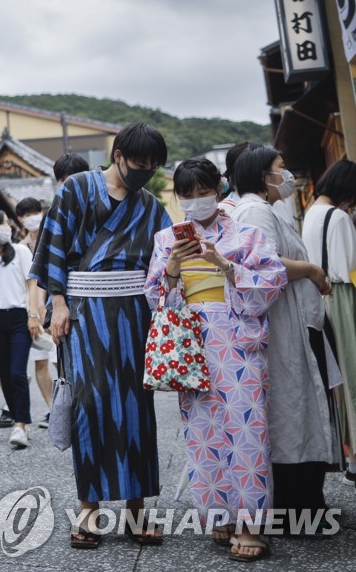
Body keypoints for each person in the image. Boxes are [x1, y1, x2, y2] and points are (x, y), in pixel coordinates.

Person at [31, 123, 171, 549]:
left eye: (152, 166)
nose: (144, 171)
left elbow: (163, 258)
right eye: (138, 163)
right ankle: (89, 509)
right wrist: (57, 304)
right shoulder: (76, 188)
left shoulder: (150, 205)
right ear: (118, 154)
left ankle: (136, 508)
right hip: (83, 313)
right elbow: (53, 246)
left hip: (134, 315)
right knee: (89, 406)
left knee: (136, 407)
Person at [145, 158, 286, 561]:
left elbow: (272, 279)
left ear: (219, 188)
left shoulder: (246, 233)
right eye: (185, 195)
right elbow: (155, 298)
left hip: (237, 340)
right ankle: (219, 515)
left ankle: (251, 524)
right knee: (202, 431)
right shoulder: (164, 239)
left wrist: (224, 264)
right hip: (191, 343)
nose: (194, 201)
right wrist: (172, 270)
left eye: (201, 192)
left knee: (247, 430)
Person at [231, 145, 343, 531]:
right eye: (281, 167)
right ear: (264, 175)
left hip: (295, 322)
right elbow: (268, 264)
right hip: (283, 327)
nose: (288, 173)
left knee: (301, 408)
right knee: (293, 410)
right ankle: (300, 509)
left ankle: (307, 505)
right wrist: (312, 269)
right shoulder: (256, 210)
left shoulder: (266, 208)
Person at [303, 158, 356, 486]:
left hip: (322, 297)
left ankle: (350, 457)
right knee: (352, 374)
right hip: (343, 295)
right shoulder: (337, 216)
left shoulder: (312, 211)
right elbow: (350, 265)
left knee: (343, 380)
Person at [0, 210, 39, 449]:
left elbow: (32, 284)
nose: (7, 227)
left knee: (17, 372)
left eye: (8, 223)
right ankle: (17, 417)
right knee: (5, 374)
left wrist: (33, 314)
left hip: (19, 318)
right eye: (2, 224)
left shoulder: (22, 252)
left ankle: (21, 424)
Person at [15, 197, 55, 428]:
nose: (32, 217)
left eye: (35, 212)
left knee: (60, 362)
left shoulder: (53, 240)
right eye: (26, 213)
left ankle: (66, 407)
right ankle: (52, 408)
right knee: (40, 362)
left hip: (54, 310)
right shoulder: (19, 248)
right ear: (20, 219)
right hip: (32, 315)